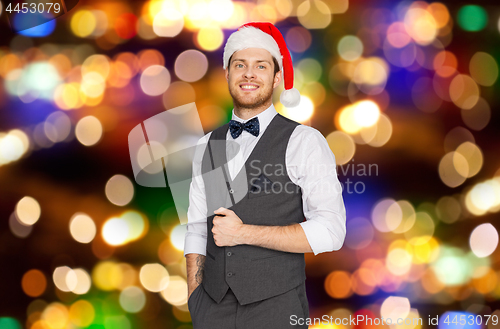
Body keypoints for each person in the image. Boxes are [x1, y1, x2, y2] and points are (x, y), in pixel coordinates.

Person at [183, 22, 346, 329]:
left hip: (277, 311)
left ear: (276, 77)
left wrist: (244, 233)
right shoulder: (207, 145)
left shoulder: (304, 141)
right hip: (211, 311)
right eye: (240, 65)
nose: (249, 74)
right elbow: (197, 230)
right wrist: (196, 300)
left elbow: (332, 231)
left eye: (261, 65)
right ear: (227, 74)